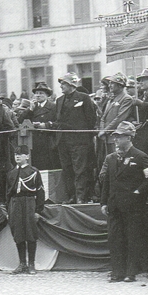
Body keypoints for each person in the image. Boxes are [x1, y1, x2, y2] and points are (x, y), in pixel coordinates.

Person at [100, 122, 148, 282]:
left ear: (129, 137)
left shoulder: (140, 156)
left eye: (119, 136)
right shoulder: (111, 158)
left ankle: (130, 272)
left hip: (133, 206)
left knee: (132, 238)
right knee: (114, 238)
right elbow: (107, 182)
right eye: (115, 137)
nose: (116, 140)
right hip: (114, 206)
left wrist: (138, 192)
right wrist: (103, 202)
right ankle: (117, 271)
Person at [47, 72, 97, 204]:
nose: (61, 86)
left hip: (79, 140)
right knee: (67, 169)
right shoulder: (59, 100)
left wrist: (86, 136)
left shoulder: (84, 98)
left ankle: (81, 197)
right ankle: (72, 196)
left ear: (72, 84)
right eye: (61, 84)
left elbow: (91, 119)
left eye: (64, 84)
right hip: (63, 141)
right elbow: (59, 120)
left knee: (80, 169)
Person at [6, 145, 45, 275]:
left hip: (29, 203)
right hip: (15, 204)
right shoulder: (11, 173)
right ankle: (22, 263)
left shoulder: (33, 172)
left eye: (21, 154)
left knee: (30, 232)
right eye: (16, 154)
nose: (17, 156)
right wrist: (8, 210)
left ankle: (31, 264)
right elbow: (8, 194)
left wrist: (38, 210)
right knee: (18, 233)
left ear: (27, 156)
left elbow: (40, 192)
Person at [18, 82, 59, 171]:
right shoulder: (33, 108)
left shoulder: (54, 107)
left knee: (49, 167)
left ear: (47, 95)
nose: (37, 96)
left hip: (49, 141)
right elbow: (20, 121)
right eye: (36, 93)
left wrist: (45, 125)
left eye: (41, 93)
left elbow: (59, 123)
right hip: (35, 142)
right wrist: (30, 110)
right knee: (37, 166)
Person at [98, 73, 135, 156]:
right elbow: (103, 117)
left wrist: (105, 131)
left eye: (113, 83)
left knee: (117, 160)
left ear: (120, 85)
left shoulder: (126, 98)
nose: (110, 85)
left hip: (117, 136)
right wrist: (102, 130)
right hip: (106, 137)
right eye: (110, 83)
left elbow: (120, 118)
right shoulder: (110, 99)